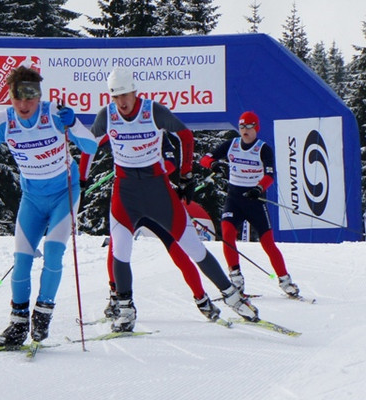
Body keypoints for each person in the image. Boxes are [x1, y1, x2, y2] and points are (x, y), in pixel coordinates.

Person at [82, 67, 258, 332]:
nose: (122, 102)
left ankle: (232, 296)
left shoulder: (152, 110)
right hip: (125, 192)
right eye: (116, 96)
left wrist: (186, 176)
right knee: (120, 250)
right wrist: (82, 180)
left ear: (134, 91)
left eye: (125, 95)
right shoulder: (106, 115)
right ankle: (125, 308)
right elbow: (89, 145)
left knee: (194, 249)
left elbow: (185, 136)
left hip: (158, 192)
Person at [0, 66, 97, 346]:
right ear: (10, 97)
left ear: (39, 96)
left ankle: (42, 315)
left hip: (64, 194)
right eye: (17, 98)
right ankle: (18, 323)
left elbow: (91, 147)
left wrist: (73, 124)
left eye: (30, 98)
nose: (24, 105)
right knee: (21, 260)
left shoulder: (54, 114)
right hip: (32, 198)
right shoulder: (4, 121)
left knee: (53, 252)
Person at [91, 132, 215, 323]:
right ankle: (117, 296)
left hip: (155, 202)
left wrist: (149, 171)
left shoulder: (157, 133)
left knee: (178, 251)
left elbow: (171, 161)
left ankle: (202, 298)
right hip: (129, 202)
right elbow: (95, 142)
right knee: (116, 249)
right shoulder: (120, 130)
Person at [198, 110, 300, 298]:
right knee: (228, 234)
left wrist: (259, 189)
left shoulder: (263, 148)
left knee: (267, 242)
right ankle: (235, 279)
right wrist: (213, 164)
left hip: (254, 200)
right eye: (242, 126)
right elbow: (204, 159)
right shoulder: (232, 144)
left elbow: (270, 175)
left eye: (249, 127)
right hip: (234, 198)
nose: (245, 130)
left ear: (256, 128)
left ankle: (285, 281)